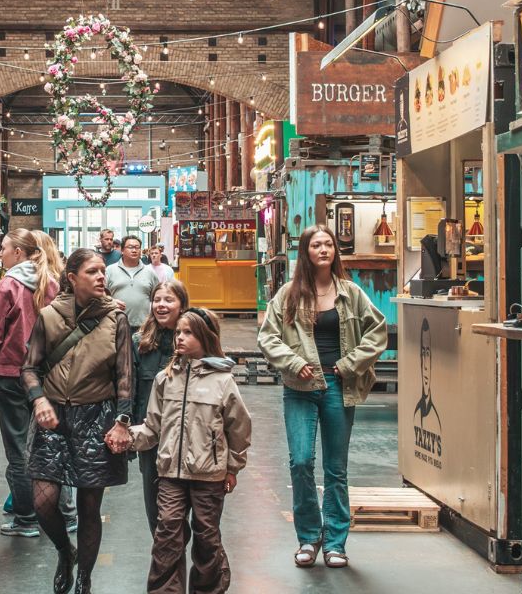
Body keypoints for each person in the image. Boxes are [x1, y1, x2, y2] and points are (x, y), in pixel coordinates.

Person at [258, 225, 387, 569]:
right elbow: (268, 338)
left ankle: (334, 543)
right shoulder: (288, 294)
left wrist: (349, 364)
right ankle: (308, 538)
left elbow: (377, 331)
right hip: (300, 389)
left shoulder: (351, 293)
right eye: (316, 244)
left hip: (337, 387)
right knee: (300, 462)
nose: (324, 249)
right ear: (306, 252)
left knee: (336, 469)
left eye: (328, 243)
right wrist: (294, 362)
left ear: (335, 251)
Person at [21, 248, 132, 594]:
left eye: (103, 271)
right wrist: (39, 399)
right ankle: (64, 553)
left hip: (96, 418)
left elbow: (125, 376)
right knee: (43, 502)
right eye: (92, 271)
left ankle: (84, 577)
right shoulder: (49, 316)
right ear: (71, 278)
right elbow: (29, 367)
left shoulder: (117, 318)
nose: (102, 276)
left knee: (88, 506)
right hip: (54, 419)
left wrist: (122, 421)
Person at [120, 307, 251, 594]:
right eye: (178, 332)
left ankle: (207, 589)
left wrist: (232, 467)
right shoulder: (165, 379)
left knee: (206, 536)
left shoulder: (222, 381)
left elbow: (239, 428)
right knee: (167, 532)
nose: (179, 337)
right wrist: (126, 438)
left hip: (209, 476)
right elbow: (152, 427)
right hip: (169, 472)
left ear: (205, 337)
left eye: (188, 332)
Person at [0, 228, 76, 538]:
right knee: (52, 443)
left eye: (5, 247)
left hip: (12, 374)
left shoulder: (6, 286)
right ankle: (65, 513)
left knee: (19, 448)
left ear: (19, 253)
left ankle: (26, 517)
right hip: (48, 374)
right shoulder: (53, 285)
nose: (1, 253)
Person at [131, 279, 189, 534]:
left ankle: (172, 554)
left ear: (182, 305)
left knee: (180, 508)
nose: (161, 305)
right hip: (152, 438)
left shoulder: (194, 343)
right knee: (155, 509)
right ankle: (166, 560)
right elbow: (131, 390)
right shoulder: (139, 342)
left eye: (169, 300)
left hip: (187, 438)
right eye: (157, 300)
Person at [105, 235, 160, 332]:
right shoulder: (109, 271)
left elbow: (158, 298)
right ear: (122, 250)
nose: (134, 250)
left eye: (137, 247)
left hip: (143, 327)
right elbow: (101, 296)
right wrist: (110, 302)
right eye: (130, 247)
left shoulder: (150, 272)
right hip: (116, 325)